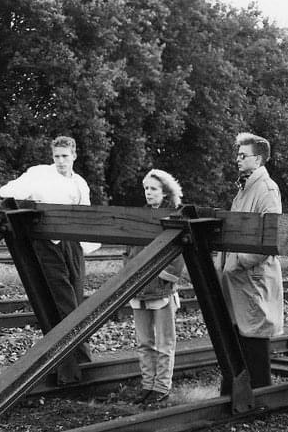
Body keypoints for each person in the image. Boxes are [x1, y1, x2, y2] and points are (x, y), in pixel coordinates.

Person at [0, 135, 99, 384]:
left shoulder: (80, 183)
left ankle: (79, 362)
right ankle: (74, 365)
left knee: (76, 298)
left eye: (65, 156)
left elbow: (86, 214)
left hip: (71, 243)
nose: (61, 161)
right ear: (52, 157)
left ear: (74, 155)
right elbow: (14, 188)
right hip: (47, 243)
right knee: (63, 302)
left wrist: (82, 247)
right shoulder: (39, 174)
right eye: (57, 156)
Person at [220, 132, 284, 388]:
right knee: (241, 334)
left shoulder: (267, 189)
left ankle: (260, 395)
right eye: (237, 154)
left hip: (252, 276)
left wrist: (239, 262)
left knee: (255, 336)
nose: (237, 159)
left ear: (257, 160)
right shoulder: (245, 186)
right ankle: (239, 392)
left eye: (243, 155)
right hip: (239, 278)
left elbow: (270, 237)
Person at [124, 169, 186, 405]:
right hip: (138, 288)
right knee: (144, 341)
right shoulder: (141, 217)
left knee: (164, 342)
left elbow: (179, 252)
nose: (149, 193)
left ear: (164, 191)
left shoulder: (174, 216)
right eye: (146, 189)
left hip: (160, 289)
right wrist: (129, 272)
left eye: (154, 189)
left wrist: (164, 276)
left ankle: (162, 387)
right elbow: (129, 249)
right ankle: (148, 385)